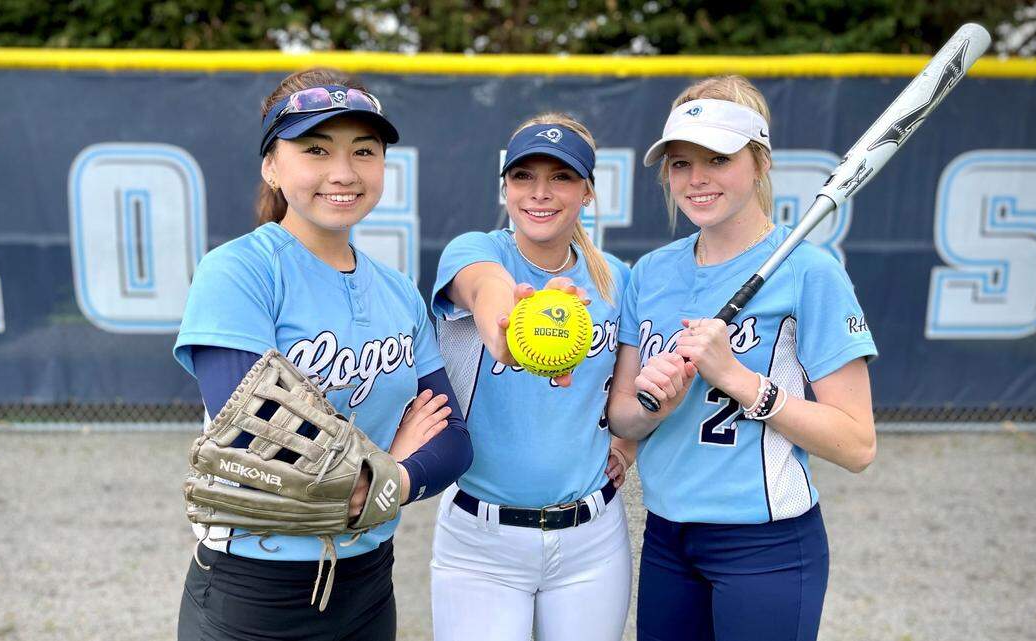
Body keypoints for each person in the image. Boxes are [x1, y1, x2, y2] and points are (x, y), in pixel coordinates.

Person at [172, 68, 472, 641]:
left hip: (368, 583)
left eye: (364, 150)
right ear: (272, 166)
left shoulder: (397, 290)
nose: (343, 172)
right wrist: (391, 462)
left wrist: (389, 480)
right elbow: (254, 439)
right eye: (315, 149)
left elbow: (453, 439)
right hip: (255, 588)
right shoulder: (240, 270)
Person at [607, 75, 878, 641]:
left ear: (758, 162)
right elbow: (626, 419)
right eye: (680, 163)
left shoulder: (811, 273)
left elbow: (856, 445)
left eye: (717, 158)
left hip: (766, 545)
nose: (696, 178)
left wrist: (739, 380)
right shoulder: (652, 273)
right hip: (666, 536)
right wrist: (654, 408)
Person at [429, 113, 638, 641]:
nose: (540, 192)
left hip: (592, 540)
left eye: (561, 177)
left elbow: (627, 392)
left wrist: (628, 444)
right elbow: (486, 292)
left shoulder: (617, 280)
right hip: (481, 540)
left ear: (588, 191)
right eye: (524, 176)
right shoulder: (474, 251)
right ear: (504, 187)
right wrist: (514, 331)